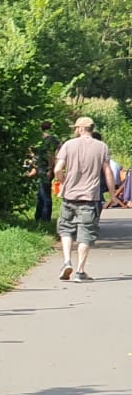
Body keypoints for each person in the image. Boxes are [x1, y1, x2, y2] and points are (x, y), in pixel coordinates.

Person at [53, 117, 114, 282]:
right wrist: (113, 194)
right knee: (86, 234)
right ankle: (80, 271)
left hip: (69, 197)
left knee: (66, 229)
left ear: (80, 129)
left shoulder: (68, 145)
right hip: (90, 198)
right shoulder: (101, 147)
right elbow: (108, 172)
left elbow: (58, 169)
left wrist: (64, 182)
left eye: (75, 128)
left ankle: (66, 261)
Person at [27, 121, 60, 223]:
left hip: (39, 168)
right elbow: (52, 154)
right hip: (46, 168)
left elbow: (32, 154)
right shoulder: (52, 140)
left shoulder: (36, 140)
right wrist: (51, 168)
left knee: (42, 194)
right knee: (44, 194)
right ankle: (43, 218)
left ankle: (41, 218)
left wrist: (33, 166)